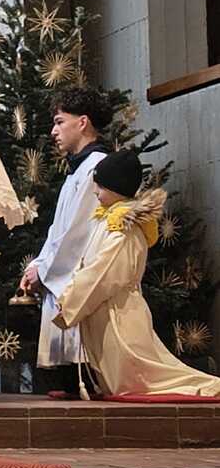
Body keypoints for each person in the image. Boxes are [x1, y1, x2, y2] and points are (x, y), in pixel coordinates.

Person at [54, 150, 220, 401]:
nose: (95, 192)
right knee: (129, 379)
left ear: (117, 188)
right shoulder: (109, 219)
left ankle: (204, 379)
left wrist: (70, 299)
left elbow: (104, 273)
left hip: (118, 312)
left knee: (142, 379)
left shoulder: (123, 226)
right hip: (106, 309)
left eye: (101, 186)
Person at [19, 86, 113, 398]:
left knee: (82, 381)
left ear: (82, 122)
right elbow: (59, 229)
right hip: (63, 277)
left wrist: (43, 270)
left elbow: (77, 234)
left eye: (60, 122)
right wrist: (38, 265)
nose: (53, 131)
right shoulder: (78, 169)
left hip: (80, 279)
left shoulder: (97, 167)